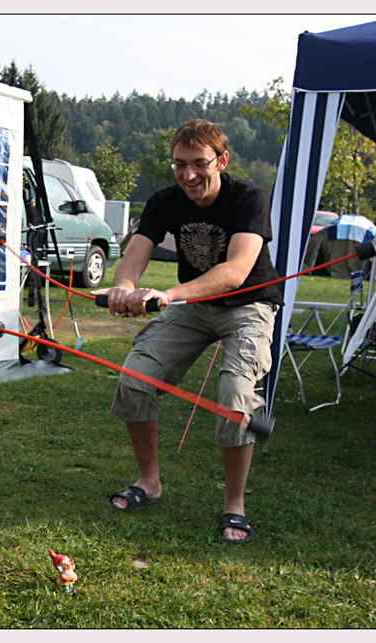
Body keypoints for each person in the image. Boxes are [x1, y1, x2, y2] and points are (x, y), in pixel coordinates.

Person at [93, 119, 282, 544]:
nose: (188, 175)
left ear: (223, 160)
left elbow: (235, 272)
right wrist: (124, 288)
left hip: (248, 305)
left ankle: (234, 505)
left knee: (235, 397)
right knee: (134, 379)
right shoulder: (165, 201)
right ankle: (149, 483)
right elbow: (135, 256)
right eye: (179, 165)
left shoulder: (248, 198)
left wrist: (169, 293)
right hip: (193, 307)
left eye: (199, 164)